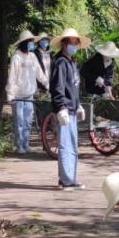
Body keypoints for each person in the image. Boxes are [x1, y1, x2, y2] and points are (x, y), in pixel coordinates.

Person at [50, 27, 90, 190]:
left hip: (72, 109)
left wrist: (78, 105)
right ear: (64, 44)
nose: (74, 46)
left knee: (72, 146)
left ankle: (69, 178)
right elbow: (57, 88)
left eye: (76, 43)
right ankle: (67, 180)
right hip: (65, 110)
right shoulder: (60, 62)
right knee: (66, 146)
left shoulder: (72, 62)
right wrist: (61, 107)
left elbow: (73, 88)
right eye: (71, 43)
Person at [6, 29, 48, 154]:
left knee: (28, 121)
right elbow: (12, 76)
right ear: (24, 43)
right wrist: (10, 94)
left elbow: (39, 73)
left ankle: (26, 143)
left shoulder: (32, 56)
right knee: (19, 121)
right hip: (18, 96)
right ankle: (19, 145)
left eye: (32, 42)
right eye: (30, 41)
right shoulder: (17, 57)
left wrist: (47, 84)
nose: (32, 44)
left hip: (29, 95)